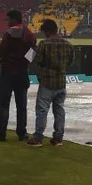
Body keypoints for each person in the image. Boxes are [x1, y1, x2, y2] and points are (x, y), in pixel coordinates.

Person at [27, 19, 74, 147]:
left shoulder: (44, 44)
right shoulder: (68, 45)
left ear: (47, 31)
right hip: (61, 82)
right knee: (59, 110)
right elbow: (70, 62)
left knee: (42, 111)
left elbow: (35, 60)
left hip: (47, 82)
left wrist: (31, 50)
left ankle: (38, 138)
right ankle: (58, 138)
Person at [0, 9, 35, 142]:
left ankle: (1, 133)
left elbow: (2, 52)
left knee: (4, 104)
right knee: (21, 105)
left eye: (8, 19)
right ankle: (22, 133)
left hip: (8, 71)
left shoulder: (8, 33)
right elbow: (33, 53)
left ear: (14, 19)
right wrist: (24, 64)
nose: (8, 22)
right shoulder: (30, 34)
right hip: (22, 72)